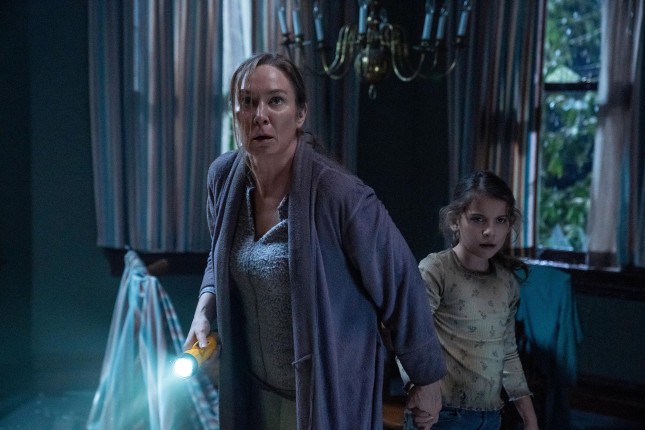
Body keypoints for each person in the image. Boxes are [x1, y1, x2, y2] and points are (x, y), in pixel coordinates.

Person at [183, 52, 446, 430]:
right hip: (253, 392)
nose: (260, 115)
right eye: (248, 102)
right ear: (235, 113)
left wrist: (426, 379)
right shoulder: (223, 178)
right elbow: (218, 254)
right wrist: (204, 309)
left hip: (326, 395)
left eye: (276, 101)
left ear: (300, 114)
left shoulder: (340, 194)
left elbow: (401, 281)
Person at [402, 171, 538, 430]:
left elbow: (508, 350)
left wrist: (529, 417)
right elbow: (411, 335)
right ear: (455, 221)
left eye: (500, 220)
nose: (490, 231)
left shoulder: (506, 282)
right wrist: (418, 388)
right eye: (478, 219)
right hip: (440, 414)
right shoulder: (436, 270)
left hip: (490, 417)